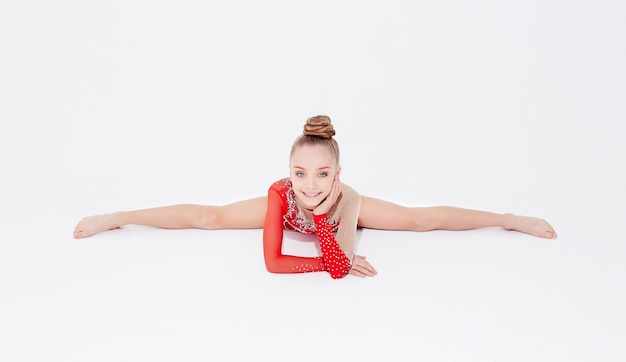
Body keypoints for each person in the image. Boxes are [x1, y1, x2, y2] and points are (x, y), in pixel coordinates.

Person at [73, 115, 557, 279]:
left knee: (417, 220)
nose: (309, 185)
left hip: (338, 217)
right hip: (290, 221)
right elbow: (274, 264)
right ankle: (119, 216)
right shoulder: (281, 196)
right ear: (288, 172)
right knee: (209, 215)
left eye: (321, 174)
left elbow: (342, 264)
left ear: (337, 175)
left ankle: (508, 218)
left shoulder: (346, 199)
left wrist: (329, 228)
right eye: (300, 173)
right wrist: (328, 259)